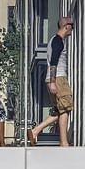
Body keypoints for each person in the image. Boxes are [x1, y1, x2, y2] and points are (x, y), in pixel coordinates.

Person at [27, 17, 74, 147]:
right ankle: (64, 143)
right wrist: (53, 82)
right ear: (66, 26)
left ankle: (35, 131)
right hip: (58, 78)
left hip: (54, 78)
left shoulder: (55, 40)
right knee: (65, 109)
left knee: (58, 111)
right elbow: (53, 62)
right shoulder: (58, 41)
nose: (72, 28)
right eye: (72, 25)